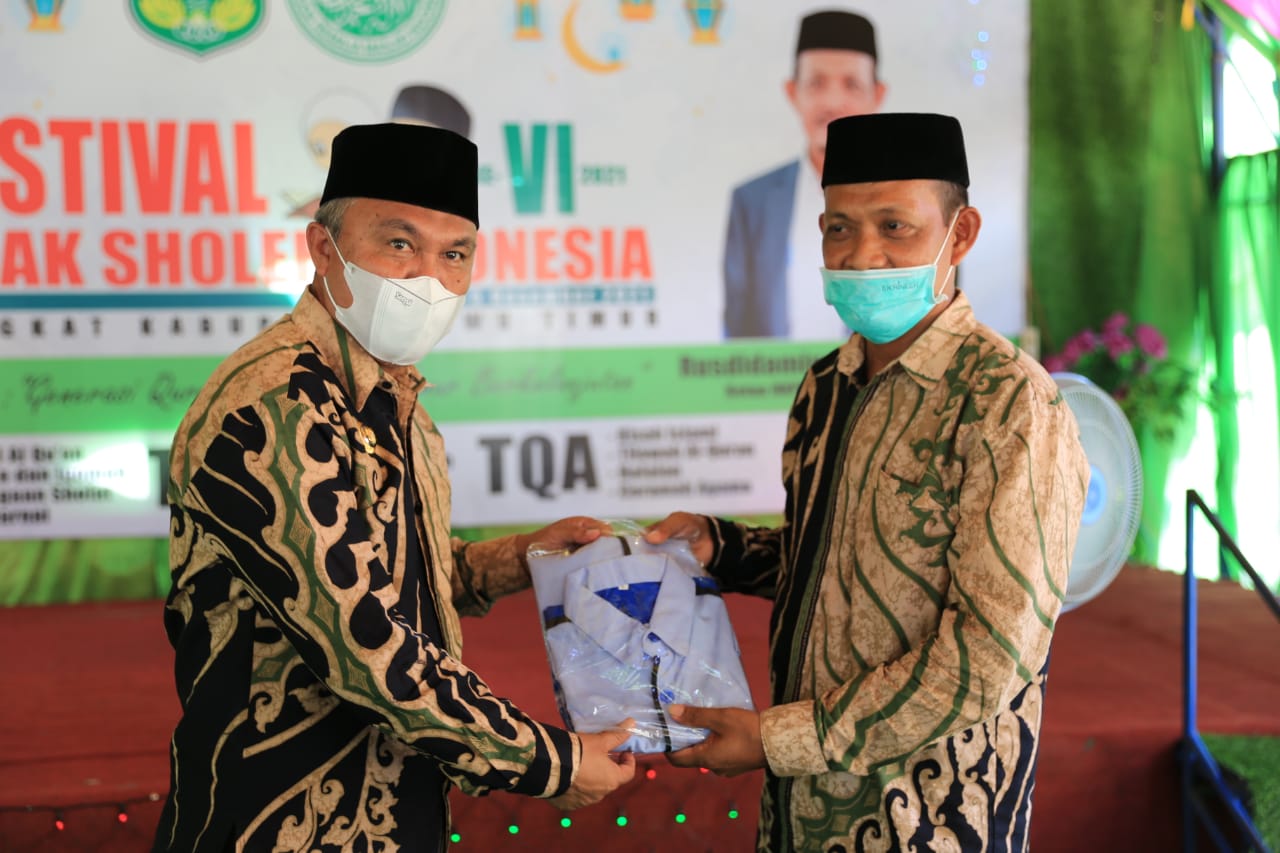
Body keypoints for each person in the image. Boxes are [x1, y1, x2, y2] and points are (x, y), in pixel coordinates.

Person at [156, 123, 636, 853]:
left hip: (398, 809)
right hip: (275, 820)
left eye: (455, 254)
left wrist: (522, 556)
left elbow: (398, 577)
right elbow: (363, 643)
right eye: (400, 243)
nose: (428, 279)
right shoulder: (276, 405)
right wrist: (549, 762)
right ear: (324, 249)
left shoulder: (399, 399)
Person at [648, 113, 1089, 851]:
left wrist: (777, 739)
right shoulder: (825, 386)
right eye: (839, 229)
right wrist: (719, 548)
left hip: (932, 819)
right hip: (799, 813)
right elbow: (832, 565)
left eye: (895, 227)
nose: (862, 255)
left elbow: (988, 658)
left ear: (961, 233)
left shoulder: (1008, 404)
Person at [723, 9, 886, 340]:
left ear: (877, 96)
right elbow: (738, 330)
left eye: (852, 85)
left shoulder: (912, 201)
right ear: (792, 92)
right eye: (816, 84)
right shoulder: (752, 202)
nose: (833, 102)